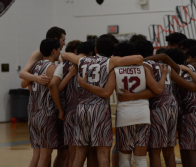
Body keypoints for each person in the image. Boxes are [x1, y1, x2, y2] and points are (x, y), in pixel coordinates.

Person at [77, 41, 168, 167]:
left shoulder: (115, 71)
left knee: (124, 158)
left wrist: (85, 85)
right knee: (140, 159)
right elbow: (157, 90)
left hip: (124, 115)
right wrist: (163, 76)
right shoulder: (144, 68)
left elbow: (106, 92)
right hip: (143, 115)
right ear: (134, 53)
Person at [61, 38, 144, 167]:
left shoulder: (82, 60)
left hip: (82, 108)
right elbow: (139, 59)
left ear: (95, 50)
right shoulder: (111, 61)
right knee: (103, 154)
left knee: (79, 154)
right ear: (112, 52)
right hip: (99, 109)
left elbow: (64, 54)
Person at [49, 41, 99, 167]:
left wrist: (60, 109)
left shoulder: (64, 65)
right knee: (92, 152)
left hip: (71, 112)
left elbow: (54, 86)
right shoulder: (95, 65)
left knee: (73, 154)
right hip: (92, 111)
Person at [21, 39, 64, 167]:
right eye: (59, 50)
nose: (60, 53)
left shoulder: (35, 66)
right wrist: (60, 109)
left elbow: (23, 83)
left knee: (36, 156)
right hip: (46, 114)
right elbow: (53, 88)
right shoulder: (51, 67)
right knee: (44, 157)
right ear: (53, 50)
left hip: (33, 114)